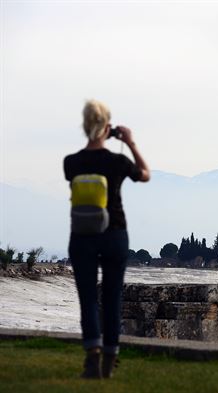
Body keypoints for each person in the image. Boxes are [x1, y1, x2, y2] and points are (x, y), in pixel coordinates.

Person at [64, 99, 150, 379]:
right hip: (114, 234)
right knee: (113, 298)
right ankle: (109, 362)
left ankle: (92, 358)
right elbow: (145, 175)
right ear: (107, 127)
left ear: (85, 125)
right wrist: (130, 142)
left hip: (82, 235)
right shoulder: (118, 161)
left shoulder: (72, 162)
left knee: (87, 298)